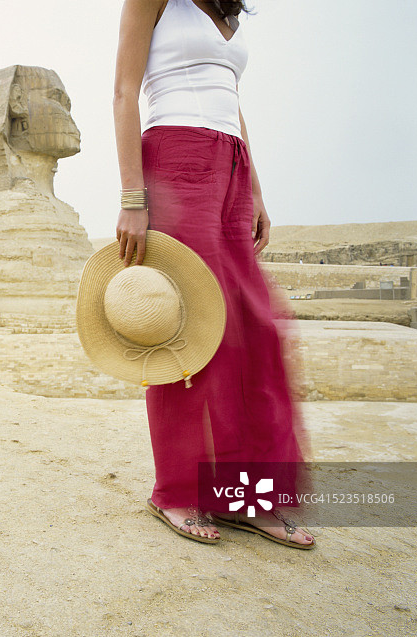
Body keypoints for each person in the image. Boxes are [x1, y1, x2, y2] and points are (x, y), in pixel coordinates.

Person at [113, 0, 315, 546]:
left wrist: (255, 190)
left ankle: (246, 496)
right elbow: (124, 92)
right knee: (191, 326)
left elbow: (233, 103)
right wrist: (133, 196)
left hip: (231, 164)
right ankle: (176, 492)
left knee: (253, 328)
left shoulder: (228, 10)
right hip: (174, 159)